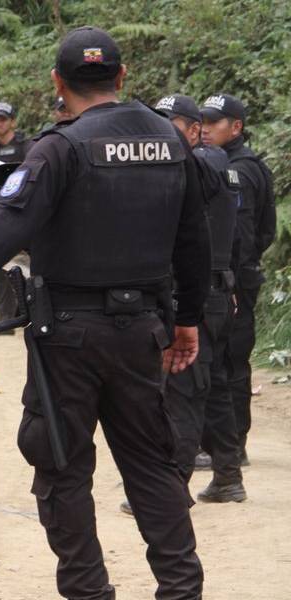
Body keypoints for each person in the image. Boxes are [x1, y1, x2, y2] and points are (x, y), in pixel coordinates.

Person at [0, 27, 211, 600]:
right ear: (122, 75)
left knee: (61, 466)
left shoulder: (60, 148)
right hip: (144, 333)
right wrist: (187, 319)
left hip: (70, 339)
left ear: (57, 83)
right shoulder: (171, 141)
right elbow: (194, 240)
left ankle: (89, 592)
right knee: (153, 467)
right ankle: (182, 590)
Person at [148, 94, 246, 505]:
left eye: (170, 125)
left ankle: (173, 489)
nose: (159, 135)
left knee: (182, 391)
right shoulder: (197, 164)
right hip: (214, 291)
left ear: (193, 131)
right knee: (214, 386)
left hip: (202, 295)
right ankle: (227, 475)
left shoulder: (210, 160)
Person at [201, 93, 276, 465]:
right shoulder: (228, 163)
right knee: (224, 361)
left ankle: (230, 447)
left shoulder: (239, 170)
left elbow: (245, 235)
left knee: (228, 363)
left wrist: (232, 278)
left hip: (234, 283)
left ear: (236, 127)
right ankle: (221, 444)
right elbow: (268, 232)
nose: (206, 129)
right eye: (203, 121)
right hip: (235, 279)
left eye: (215, 122)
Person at [0, 101, 34, 328]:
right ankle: (7, 319)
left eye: (4, 118)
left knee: (29, 269)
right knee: (1, 270)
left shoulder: (26, 146)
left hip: (24, 212)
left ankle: (32, 316)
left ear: (13, 121)